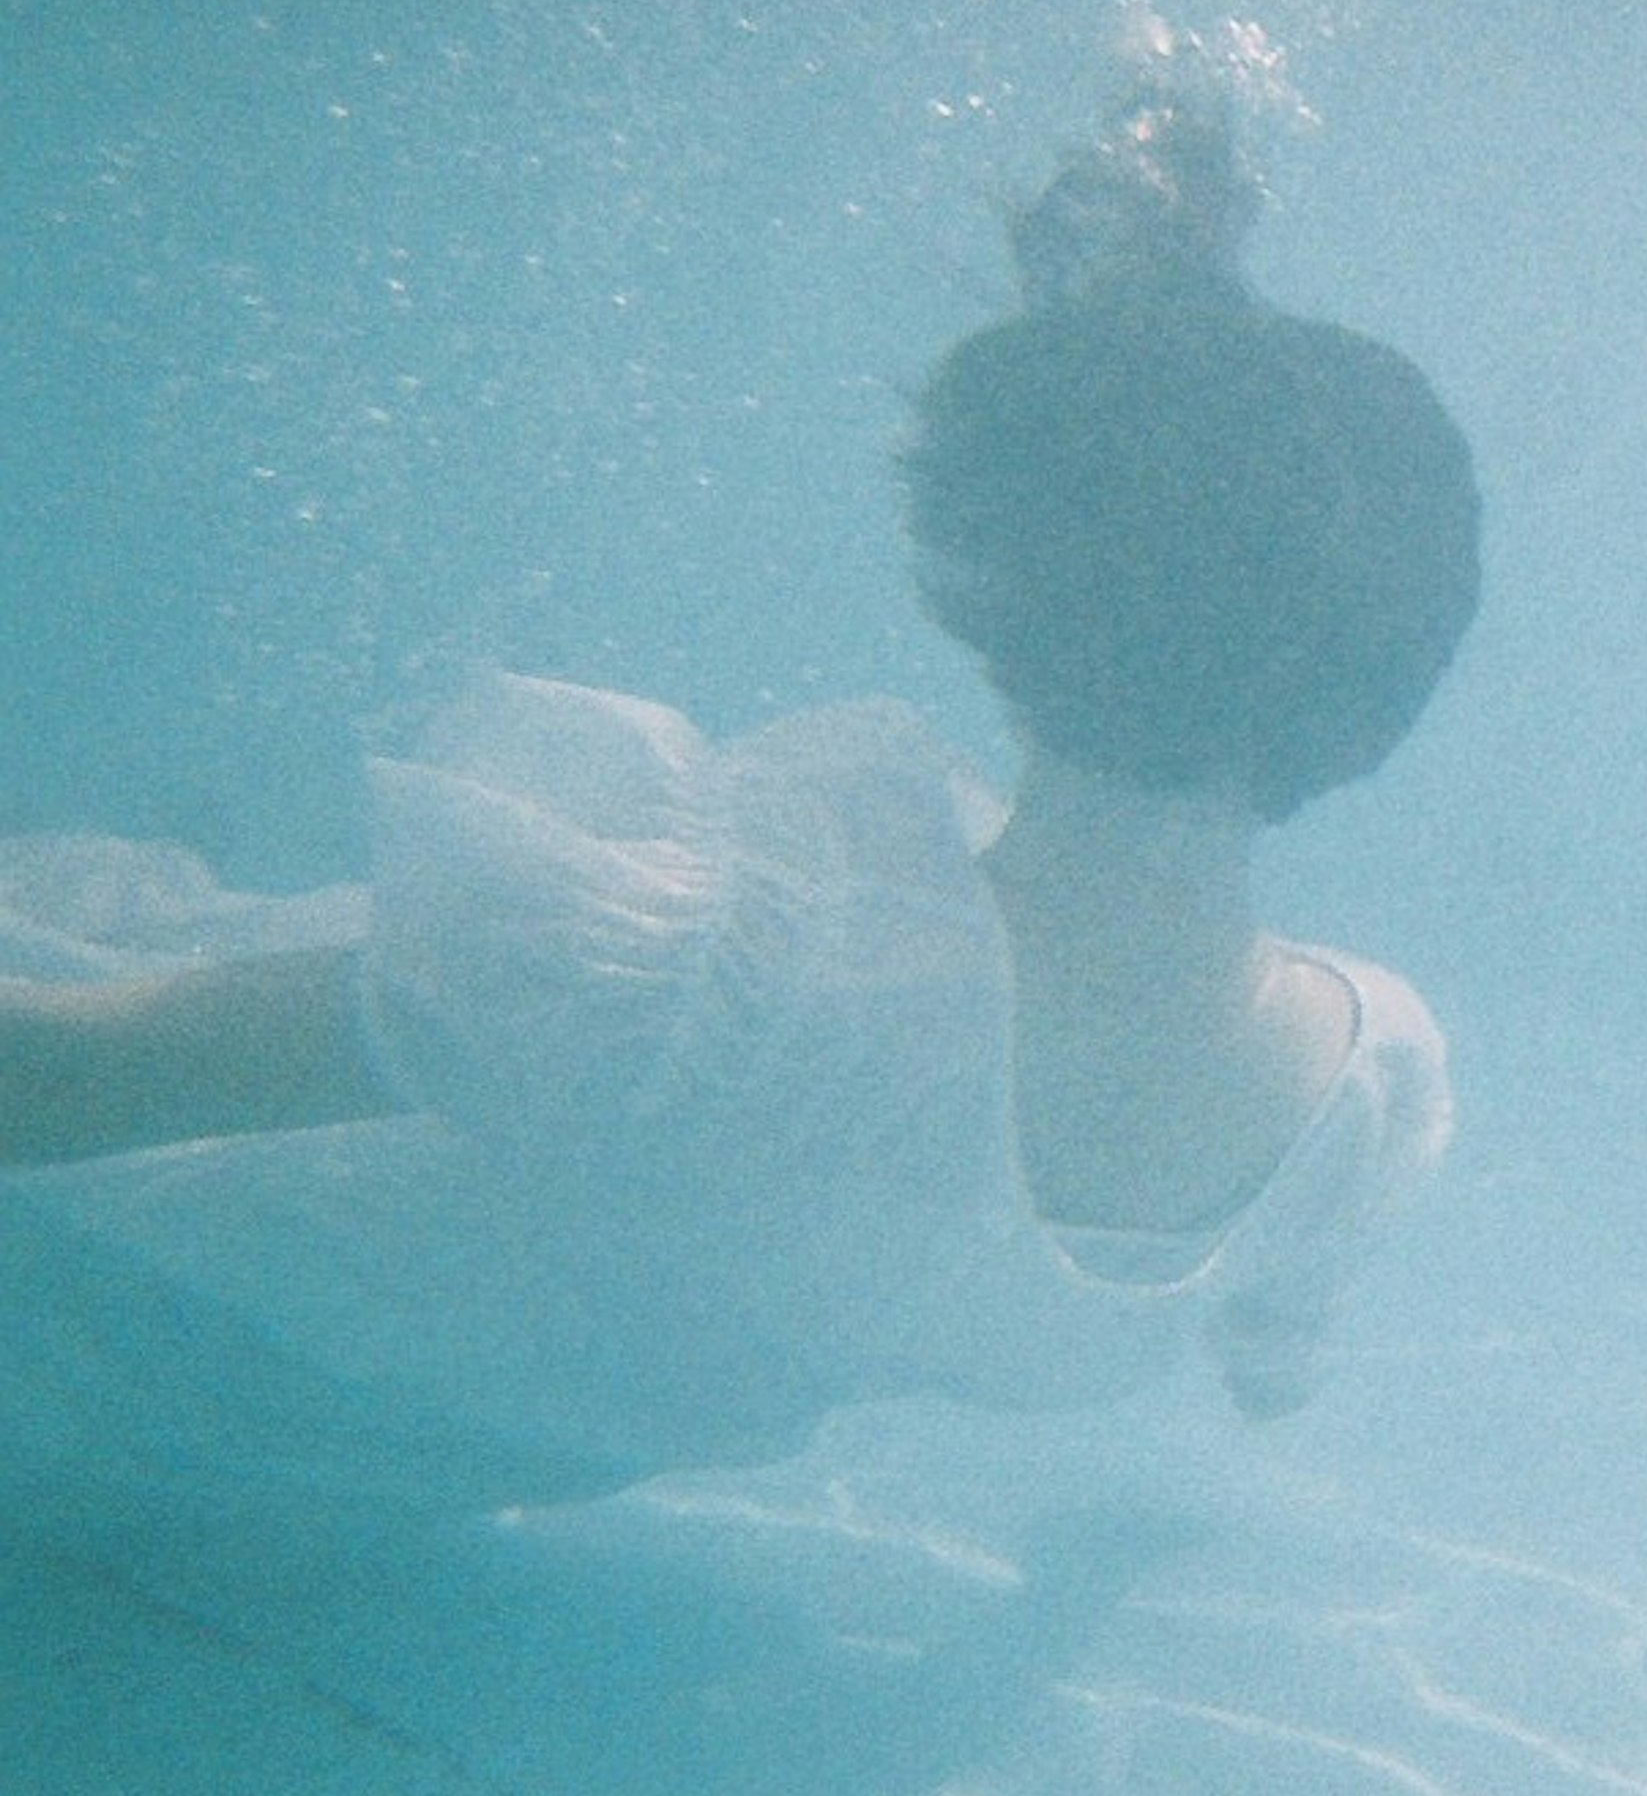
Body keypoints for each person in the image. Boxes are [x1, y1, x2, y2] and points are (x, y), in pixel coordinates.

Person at [0, 91, 1480, 1535]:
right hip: (378, 1476)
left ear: (988, 579)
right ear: (1392, 679)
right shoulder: (1366, 1086)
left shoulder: (708, 979)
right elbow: (1276, 1357)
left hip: (115, 1312)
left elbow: (56, 1083)